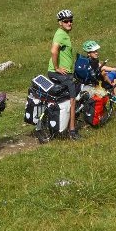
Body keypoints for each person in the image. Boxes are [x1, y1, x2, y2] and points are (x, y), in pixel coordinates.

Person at [46, 9, 81, 139]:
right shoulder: (61, 34)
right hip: (59, 73)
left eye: (71, 20)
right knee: (73, 99)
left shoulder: (62, 33)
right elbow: (54, 51)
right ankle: (72, 131)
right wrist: (57, 67)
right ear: (60, 23)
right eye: (66, 21)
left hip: (62, 72)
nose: (69, 23)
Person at [80, 40, 116, 104]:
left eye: (96, 51)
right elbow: (103, 71)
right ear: (89, 53)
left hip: (87, 82)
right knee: (113, 75)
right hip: (97, 82)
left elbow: (102, 67)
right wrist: (111, 83)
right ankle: (114, 96)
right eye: (94, 52)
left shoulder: (85, 61)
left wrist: (115, 69)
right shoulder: (94, 62)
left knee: (109, 72)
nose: (96, 53)